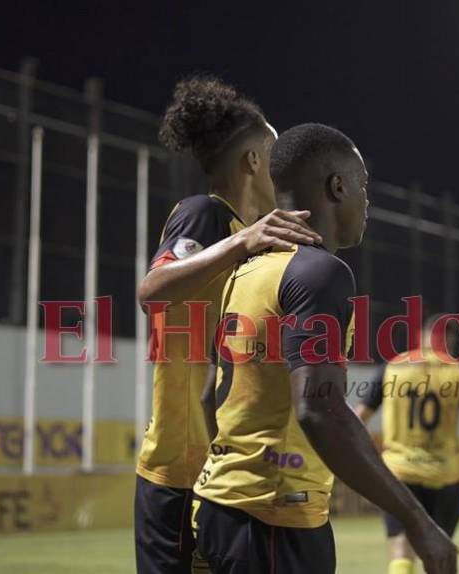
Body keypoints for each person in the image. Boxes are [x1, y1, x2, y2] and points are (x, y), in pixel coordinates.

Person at [194, 123, 457, 574]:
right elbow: (318, 409)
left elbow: (207, 396)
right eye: (363, 186)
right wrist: (417, 521)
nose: (367, 200)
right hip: (276, 520)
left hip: (217, 509)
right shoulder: (320, 273)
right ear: (337, 186)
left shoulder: (246, 270)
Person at [135, 76, 321, 574]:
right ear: (254, 160)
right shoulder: (207, 215)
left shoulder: (247, 237)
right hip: (180, 471)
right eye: (274, 152)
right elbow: (152, 291)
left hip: (224, 478)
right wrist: (243, 243)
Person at [354, 317, 459, 574]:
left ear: (421, 336)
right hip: (445, 475)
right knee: (438, 553)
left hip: (400, 473)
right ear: (450, 341)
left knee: (401, 549)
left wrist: (362, 463)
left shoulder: (393, 367)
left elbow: (358, 418)